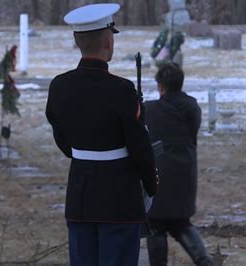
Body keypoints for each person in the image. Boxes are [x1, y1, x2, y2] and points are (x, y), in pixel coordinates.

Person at [45, 3, 159, 266]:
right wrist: (151, 184)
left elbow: (62, 139)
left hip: (80, 192)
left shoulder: (59, 86)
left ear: (77, 41)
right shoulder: (121, 89)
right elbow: (140, 146)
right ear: (109, 41)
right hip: (119, 196)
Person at [145, 63, 214, 266]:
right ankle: (204, 261)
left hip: (160, 174)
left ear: (161, 86)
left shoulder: (151, 110)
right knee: (181, 222)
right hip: (185, 173)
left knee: (156, 224)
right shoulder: (192, 108)